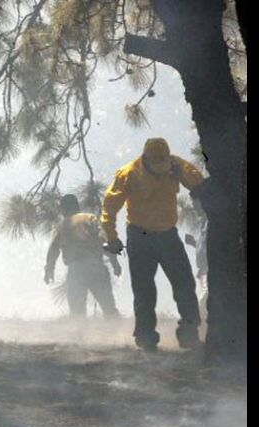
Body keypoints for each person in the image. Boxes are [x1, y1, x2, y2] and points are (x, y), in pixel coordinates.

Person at [102, 137, 206, 352]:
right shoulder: (129, 173)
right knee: (144, 289)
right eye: (156, 166)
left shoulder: (175, 165)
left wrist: (183, 174)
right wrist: (112, 237)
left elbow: (200, 184)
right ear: (146, 159)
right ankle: (146, 337)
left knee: (185, 283)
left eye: (164, 165)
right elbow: (110, 208)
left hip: (168, 234)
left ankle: (189, 334)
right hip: (140, 236)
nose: (161, 170)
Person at [45, 194, 121, 318]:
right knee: (109, 308)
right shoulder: (91, 218)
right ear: (77, 206)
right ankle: (116, 334)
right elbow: (104, 240)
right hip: (96, 266)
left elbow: (54, 249)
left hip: (76, 269)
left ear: (63, 208)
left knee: (77, 313)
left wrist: (49, 269)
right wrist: (114, 262)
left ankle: (78, 335)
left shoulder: (63, 225)